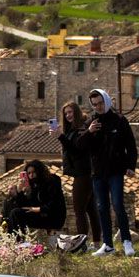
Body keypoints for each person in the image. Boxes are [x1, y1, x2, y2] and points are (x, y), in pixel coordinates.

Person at [81, 89, 138, 257]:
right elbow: (80, 144)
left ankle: (126, 241)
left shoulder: (120, 120)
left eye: (100, 103)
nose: (98, 107)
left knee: (118, 205)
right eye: (95, 104)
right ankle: (107, 244)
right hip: (98, 172)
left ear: (106, 101)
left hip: (115, 171)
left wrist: (131, 166)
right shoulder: (91, 122)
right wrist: (89, 132)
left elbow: (131, 145)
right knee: (102, 208)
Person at [54, 102, 101, 250]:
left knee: (79, 209)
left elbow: (76, 149)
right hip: (82, 173)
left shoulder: (82, 127)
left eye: (70, 112)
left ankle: (82, 243)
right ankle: (96, 243)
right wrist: (62, 135)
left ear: (77, 112)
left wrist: (61, 136)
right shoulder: (72, 129)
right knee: (90, 209)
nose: (68, 115)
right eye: (66, 113)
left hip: (83, 173)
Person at [4, 159, 67, 234]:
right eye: (29, 173)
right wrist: (20, 191)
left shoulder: (53, 180)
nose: (31, 175)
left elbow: (55, 203)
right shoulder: (34, 186)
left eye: (34, 172)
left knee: (16, 213)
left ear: (39, 171)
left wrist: (37, 209)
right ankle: (13, 240)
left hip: (53, 218)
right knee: (14, 212)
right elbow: (25, 205)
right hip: (40, 216)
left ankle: (17, 241)